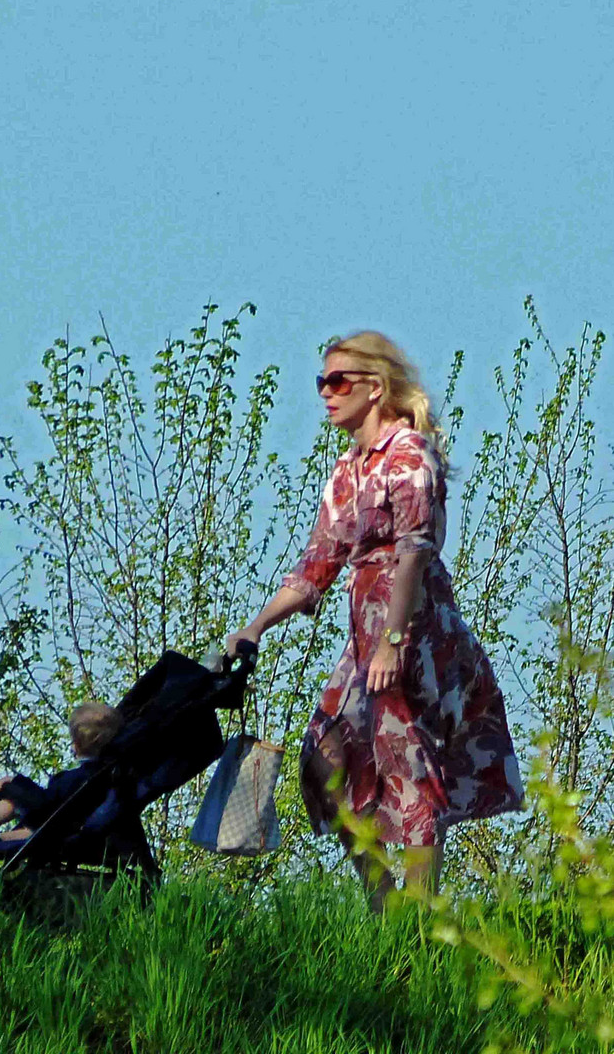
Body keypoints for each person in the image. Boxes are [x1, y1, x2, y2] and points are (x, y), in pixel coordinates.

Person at [226, 331, 524, 911]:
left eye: (338, 381)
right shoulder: (348, 469)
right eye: (322, 383)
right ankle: (383, 901)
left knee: (407, 770)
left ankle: (417, 927)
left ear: (376, 387)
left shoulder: (410, 453)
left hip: (412, 626)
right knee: (322, 759)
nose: (326, 394)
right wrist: (257, 625)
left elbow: (415, 548)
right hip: (365, 631)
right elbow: (318, 562)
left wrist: (392, 642)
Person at [0, 702, 124, 844]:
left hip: (56, 827)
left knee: (15, 800)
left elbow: (46, 803)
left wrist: (15, 784)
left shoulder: (78, 779)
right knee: (34, 826)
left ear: (76, 745)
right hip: (62, 826)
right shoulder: (110, 777)